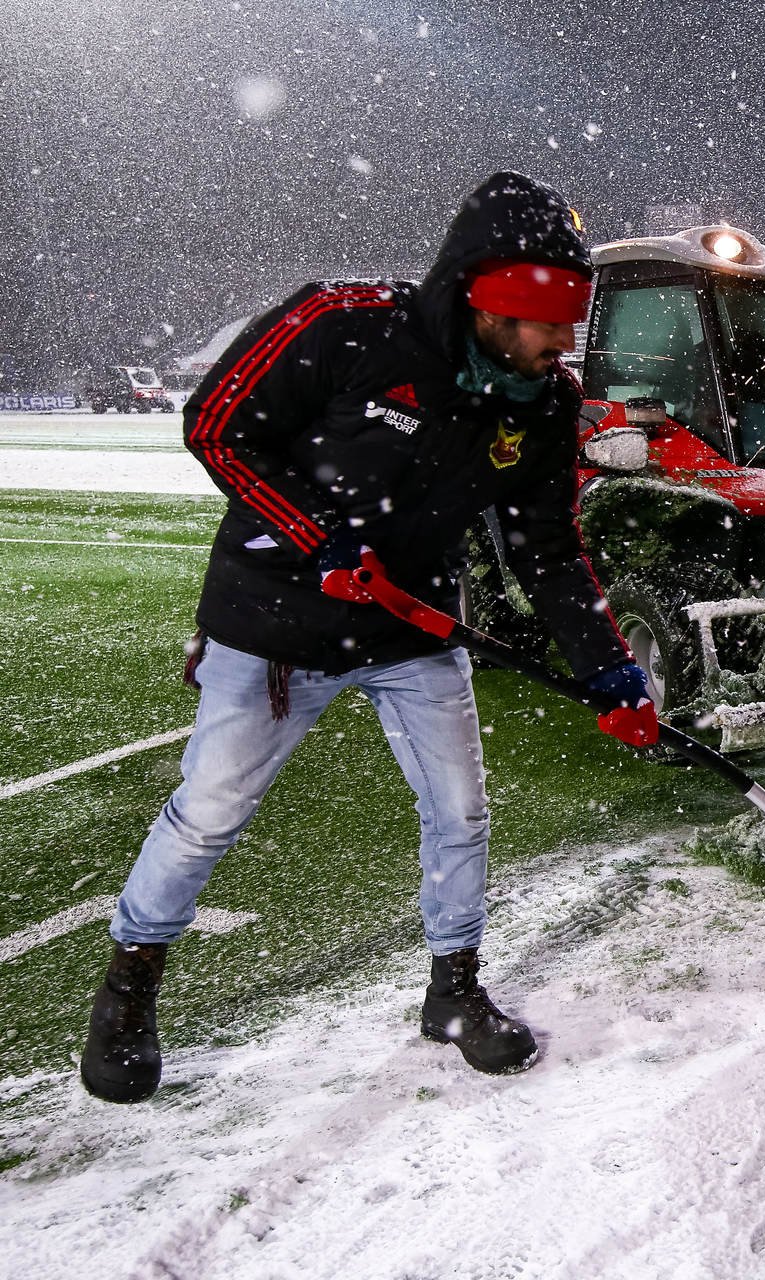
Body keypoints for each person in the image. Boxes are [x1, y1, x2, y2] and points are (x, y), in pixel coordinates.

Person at [79, 172, 656, 1103]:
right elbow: (218, 429)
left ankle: (455, 994)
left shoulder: (543, 403)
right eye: (544, 320)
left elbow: (547, 551)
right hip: (275, 626)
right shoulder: (343, 327)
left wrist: (611, 669)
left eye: (569, 321)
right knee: (207, 817)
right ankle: (128, 991)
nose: (563, 340)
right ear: (484, 300)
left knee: (461, 814)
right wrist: (318, 535)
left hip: (412, 628)